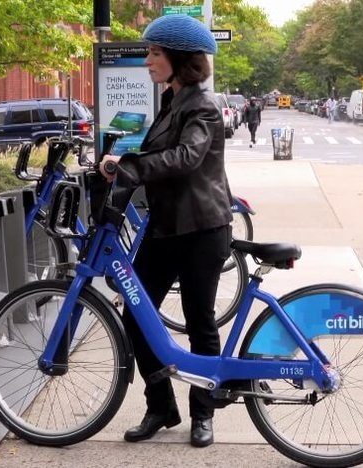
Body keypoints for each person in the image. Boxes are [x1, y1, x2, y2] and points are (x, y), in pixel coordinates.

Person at [99, 14, 232, 449]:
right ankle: (161, 404)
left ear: (178, 58)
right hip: (164, 228)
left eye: (155, 53)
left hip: (201, 228)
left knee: (200, 322)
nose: (148, 61)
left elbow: (185, 158)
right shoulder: (171, 102)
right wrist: (117, 162)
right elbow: (156, 152)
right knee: (135, 314)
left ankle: (203, 413)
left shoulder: (204, 106)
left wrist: (132, 167)